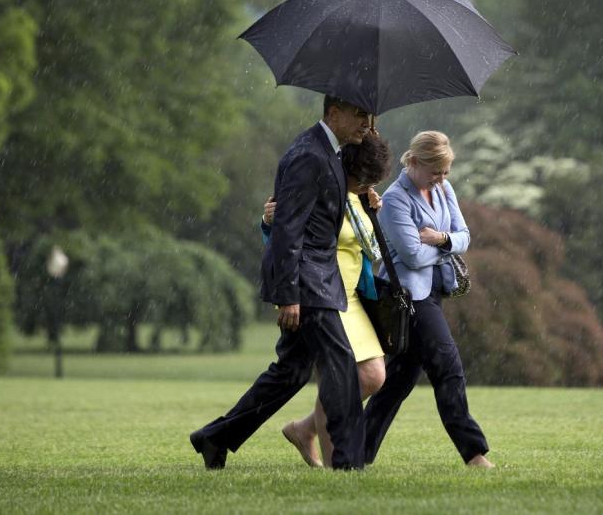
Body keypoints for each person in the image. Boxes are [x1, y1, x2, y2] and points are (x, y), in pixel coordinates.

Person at [189, 96, 372, 471]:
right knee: (340, 364)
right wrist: (289, 295)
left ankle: (215, 437)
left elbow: (322, 212)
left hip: (316, 281)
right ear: (332, 112)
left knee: (290, 374)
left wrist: (364, 198)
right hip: (308, 284)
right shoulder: (309, 155)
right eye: (358, 115)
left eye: (368, 116)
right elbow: (288, 230)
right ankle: (350, 463)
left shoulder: (331, 152)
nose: (365, 123)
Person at [262, 132, 393, 467]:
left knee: (372, 376)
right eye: (365, 180)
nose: (368, 185)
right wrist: (267, 222)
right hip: (321, 294)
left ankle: (304, 430)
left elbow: (368, 248)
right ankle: (341, 464)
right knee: (338, 377)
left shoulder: (359, 196)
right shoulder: (323, 182)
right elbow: (286, 232)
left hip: (352, 296)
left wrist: (368, 206)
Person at [363, 130, 494, 468]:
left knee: (397, 382)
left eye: (446, 171)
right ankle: (474, 453)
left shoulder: (443, 189)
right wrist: (444, 247)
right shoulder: (395, 200)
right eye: (436, 170)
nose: (442, 179)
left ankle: (352, 453)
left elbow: (464, 237)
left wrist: (439, 238)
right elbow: (411, 257)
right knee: (447, 366)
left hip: (435, 292)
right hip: (410, 296)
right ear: (415, 161)